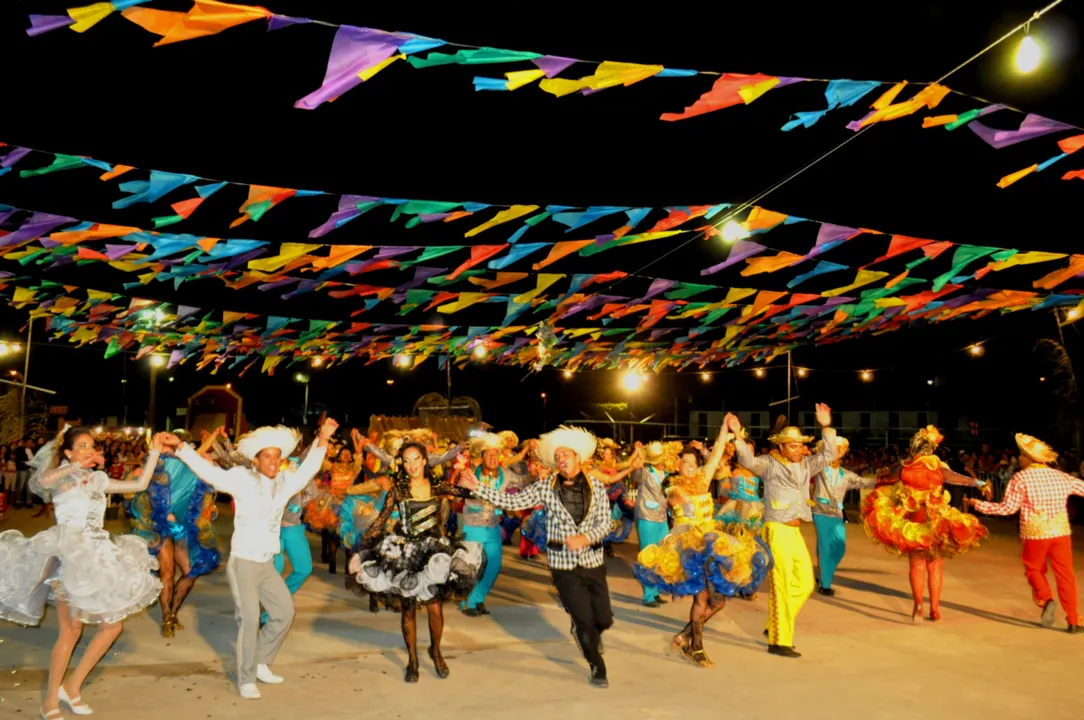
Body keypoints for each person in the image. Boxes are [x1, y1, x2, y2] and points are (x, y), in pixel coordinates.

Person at [163, 419, 335, 700]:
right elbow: (208, 472)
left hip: (266, 563)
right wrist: (181, 447)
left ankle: (261, 662)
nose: (273, 460)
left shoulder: (284, 482)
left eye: (277, 456)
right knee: (250, 618)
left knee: (284, 612)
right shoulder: (241, 479)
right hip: (243, 562)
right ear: (256, 460)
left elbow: (308, 469)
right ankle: (246, 678)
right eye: (267, 456)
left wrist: (324, 437)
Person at [0, 426, 164, 720]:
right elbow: (42, 480)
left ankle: (72, 687)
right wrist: (76, 466)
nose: (89, 449)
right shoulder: (62, 476)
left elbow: (139, 485)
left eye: (91, 445)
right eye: (83, 445)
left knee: (113, 627)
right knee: (71, 630)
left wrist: (155, 451)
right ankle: (50, 700)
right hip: (70, 555)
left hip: (98, 555)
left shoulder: (97, 479)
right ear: (68, 452)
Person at [460, 425, 615, 688]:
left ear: (578, 457)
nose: (561, 460)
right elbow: (513, 502)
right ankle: (596, 665)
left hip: (593, 560)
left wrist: (586, 538)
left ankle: (588, 630)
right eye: (557, 457)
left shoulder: (597, 487)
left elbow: (606, 523)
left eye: (565, 454)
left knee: (603, 617)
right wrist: (478, 487)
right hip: (562, 564)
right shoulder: (545, 487)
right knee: (583, 618)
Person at [634, 428, 771, 668]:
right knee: (702, 599)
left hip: (714, 544)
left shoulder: (704, 479)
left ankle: (684, 635)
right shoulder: (673, 487)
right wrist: (684, 498)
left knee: (718, 601)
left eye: (692, 462)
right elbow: (674, 499)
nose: (688, 465)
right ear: (677, 466)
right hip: (691, 550)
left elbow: (717, 453)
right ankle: (695, 647)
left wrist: (725, 428)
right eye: (684, 462)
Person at [349, 441, 484, 682]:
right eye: (406, 460)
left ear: (425, 460)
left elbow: (468, 493)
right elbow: (379, 523)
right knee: (408, 609)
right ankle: (412, 661)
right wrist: (360, 554)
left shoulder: (437, 486)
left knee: (435, 607)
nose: (411, 465)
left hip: (434, 554)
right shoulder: (397, 490)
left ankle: (436, 652)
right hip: (406, 553)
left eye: (415, 459)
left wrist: (473, 483)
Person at [725, 405, 836, 658]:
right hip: (777, 529)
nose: (798, 450)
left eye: (800, 445)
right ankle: (779, 641)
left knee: (806, 584)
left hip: (796, 531)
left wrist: (826, 426)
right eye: (793, 446)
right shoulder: (769, 464)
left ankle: (774, 623)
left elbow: (830, 453)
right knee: (782, 586)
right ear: (781, 447)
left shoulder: (808, 464)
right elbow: (748, 461)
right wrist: (737, 435)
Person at [862, 425, 990, 623]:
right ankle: (935, 609)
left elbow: (886, 479)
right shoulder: (938, 466)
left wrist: (879, 477)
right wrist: (979, 483)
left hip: (913, 521)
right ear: (931, 448)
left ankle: (918, 606)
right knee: (935, 566)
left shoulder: (903, 466)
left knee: (917, 564)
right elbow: (959, 479)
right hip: (935, 520)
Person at [968, 433, 1084, 633]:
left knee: (1034, 569)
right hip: (1060, 532)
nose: (1019, 458)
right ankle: (1074, 620)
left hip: (1035, 533)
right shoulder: (1062, 477)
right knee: (1066, 575)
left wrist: (978, 505)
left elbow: (1007, 509)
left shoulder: (1020, 478)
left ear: (1030, 459)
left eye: (1021, 455)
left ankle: (1046, 598)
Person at [128, 428, 222, 637]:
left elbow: (201, 465)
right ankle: (167, 617)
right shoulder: (152, 465)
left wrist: (213, 442)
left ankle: (173, 611)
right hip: (157, 528)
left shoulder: (188, 464)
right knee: (167, 572)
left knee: (190, 571)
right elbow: (133, 489)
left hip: (180, 528)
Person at [460, 433, 532, 617]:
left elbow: (525, 483)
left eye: (495, 454)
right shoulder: (469, 473)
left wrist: (538, 473)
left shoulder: (506, 474)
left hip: (492, 526)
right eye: (488, 454)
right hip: (472, 525)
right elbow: (459, 491)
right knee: (472, 566)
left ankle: (477, 597)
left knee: (494, 565)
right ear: (481, 456)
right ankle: (469, 601)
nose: (492, 458)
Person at [809, 437, 876, 596]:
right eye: (834, 448)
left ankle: (822, 573)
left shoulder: (845, 474)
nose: (837, 451)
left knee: (839, 547)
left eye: (841, 449)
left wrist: (885, 480)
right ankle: (825, 584)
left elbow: (863, 482)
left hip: (837, 515)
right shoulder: (818, 468)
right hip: (820, 512)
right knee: (825, 548)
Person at [631, 441, 671, 607]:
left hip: (662, 518)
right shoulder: (645, 471)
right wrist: (637, 456)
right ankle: (648, 595)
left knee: (662, 555)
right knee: (648, 556)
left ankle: (655, 592)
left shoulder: (667, 473)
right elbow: (634, 476)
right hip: (646, 517)